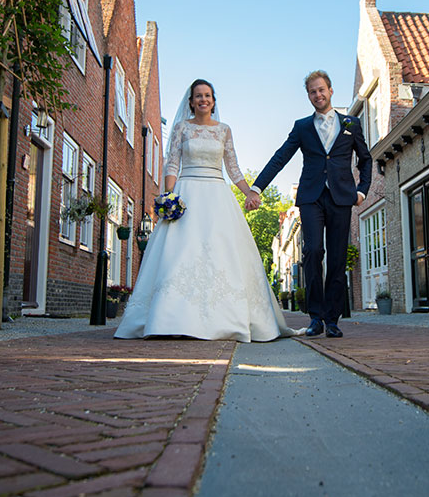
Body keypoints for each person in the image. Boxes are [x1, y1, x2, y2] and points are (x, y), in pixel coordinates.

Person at [114, 79, 295, 342]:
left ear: (213, 100)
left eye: (208, 96)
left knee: (222, 251)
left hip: (217, 195)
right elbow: (173, 163)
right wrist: (169, 196)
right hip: (187, 194)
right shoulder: (181, 128)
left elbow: (232, 167)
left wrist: (249, 193)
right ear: (191, 101)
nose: (203, 100)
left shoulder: (224, 130)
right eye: (198, 96)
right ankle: (170, 318)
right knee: (179, 253)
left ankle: (224, 318)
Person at [246, 71, 372, 338]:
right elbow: (280, 157)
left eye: (321, 90)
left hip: (341, 197)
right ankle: (316, 317)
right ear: (309, 96)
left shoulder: (351, 123)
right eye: (312, 92)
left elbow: (366, 159)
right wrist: (257, 188)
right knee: (313, 251)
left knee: (337, 258)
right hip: (311, 197)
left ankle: (333, 319)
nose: (318, 95)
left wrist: (362, 190)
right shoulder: (302, 126)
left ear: (331, 90)